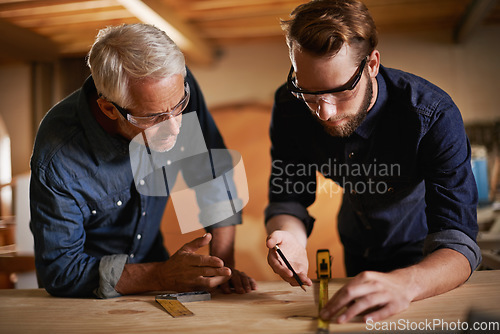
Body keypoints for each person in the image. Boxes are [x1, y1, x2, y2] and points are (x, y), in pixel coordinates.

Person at [265, 0, 481, 324]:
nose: (325, 112)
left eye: (340, 92)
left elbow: (459, 241)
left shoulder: (434, 117)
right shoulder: (289, 104)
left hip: (424, 258)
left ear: (372, 65)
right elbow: (288, 197)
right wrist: (289, 238)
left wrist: (406, 283)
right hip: (355, 244)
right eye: (309, 94)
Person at [30, 23, 256, 298]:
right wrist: (162, 274)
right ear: (109, 109)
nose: (175, 126)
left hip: (155, 267)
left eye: (179, 107)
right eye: (154, 117)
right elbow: (61, 271)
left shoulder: (174, 89)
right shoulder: (58, 157)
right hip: (84, 293)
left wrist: (222, 268)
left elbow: (212, 172)